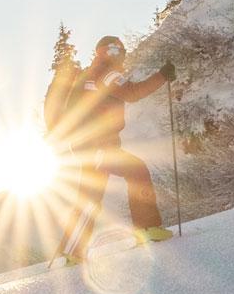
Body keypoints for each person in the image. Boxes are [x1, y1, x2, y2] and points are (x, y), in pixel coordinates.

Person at [55, 36, 176, 263]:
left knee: (91, 197)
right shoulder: (106, 72)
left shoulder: (91, 73)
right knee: (137, 171)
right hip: (97, 145)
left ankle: (72, 251)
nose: (119, 52)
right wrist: (162, 75)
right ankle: (147, 228)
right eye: (114, 48)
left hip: (88, 145)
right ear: (104, 51)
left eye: (121, 48)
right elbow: (132, 93)